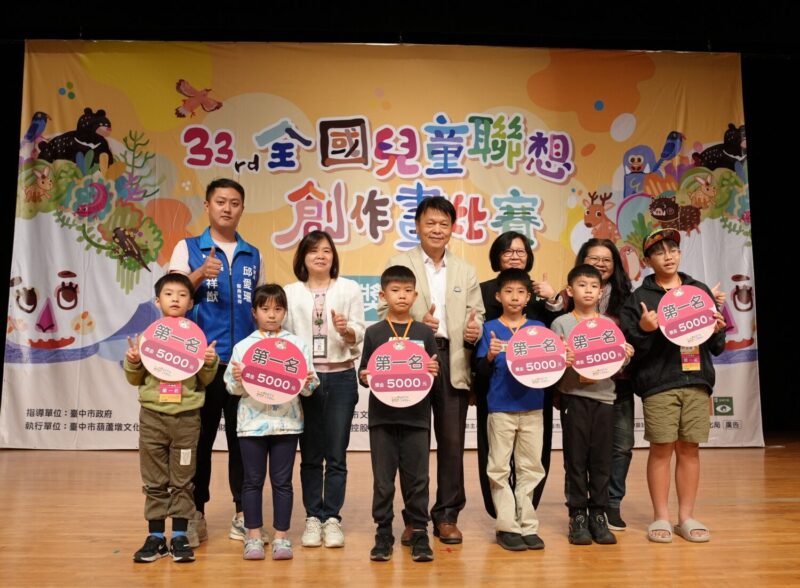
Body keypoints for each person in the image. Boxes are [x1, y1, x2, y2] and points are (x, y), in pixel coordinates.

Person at [380, 196, 484, 545]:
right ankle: (415, 519)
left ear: (452, 228)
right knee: (414, 444)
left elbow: (477, 312)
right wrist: (415, 324)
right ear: (417, 226)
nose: (437, 229)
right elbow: (382, 311)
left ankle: (448, 516)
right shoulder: (399, 263)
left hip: (452, 359)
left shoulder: (465, 269)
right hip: (410, 362)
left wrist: (475, 328)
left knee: (452, 444)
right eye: (430, 223)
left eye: (444, 223)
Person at [169, 178, 263, 546]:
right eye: (220, 201)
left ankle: (243, 513)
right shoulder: (188, 248)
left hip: (242, 367)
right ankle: (195, 514)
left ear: (242, 209)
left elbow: (260, 310)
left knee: (244, 443)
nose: (227, 208)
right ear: (207, 206)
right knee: (199, 441)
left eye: (234, 203)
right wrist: (197, 275)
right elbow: (171, 296)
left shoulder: (253, 254)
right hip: (201, 364)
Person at [620, 229, 726, 543]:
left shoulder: (698, 290)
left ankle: (686, 517)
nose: (668, 256)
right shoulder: (639, 298)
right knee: (662, 448)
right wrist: (644, 329)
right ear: (647, 260)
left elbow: (717, 346)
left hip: (696, 381)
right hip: (659, 384)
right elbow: (630, 351)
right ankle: (661, 517)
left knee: (690, 449)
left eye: (673, 250)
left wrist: (717, 329)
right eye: (659, 252)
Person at [125, 273, 219, 563]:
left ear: (191, 303)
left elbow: (204, 381)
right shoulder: (148, 337)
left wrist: (209, 363)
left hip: (186, 419)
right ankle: (155, 536)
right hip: (153, 417)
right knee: (154, 479)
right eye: (168, 294)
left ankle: (179, 535)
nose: (175, 299)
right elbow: (134, 379)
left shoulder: (196, 338)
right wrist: (133, 361)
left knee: (183, 479)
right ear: (157, 301)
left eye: (182, 294)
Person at [283, 231, 365, 549]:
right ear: (302, 257)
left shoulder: (349, 288)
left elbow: (359, 332)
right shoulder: (290, 293)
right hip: (305, 381)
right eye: (313, 250)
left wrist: (346, 330)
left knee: (336, 454)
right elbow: (284, 339)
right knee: (310, 455)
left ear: (334, 257)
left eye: (327, 250)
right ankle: (312, 518)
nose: (321, 255)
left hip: (341, 377)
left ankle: (332, 518)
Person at [225, 284, 319, 560]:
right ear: (254, 312)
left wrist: (307, 382)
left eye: (278, 309)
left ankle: (281, 537)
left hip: (286, 423)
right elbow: (231, 386)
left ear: (285, 312)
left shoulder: (297, 345)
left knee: (282, 482)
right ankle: (253, 535)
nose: (271, 314)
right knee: (252, 481)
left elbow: (310, 387)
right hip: (251, 425)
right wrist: (238, 379)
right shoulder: (243, 347)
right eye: (265, 309)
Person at [474, 231, 563, 518]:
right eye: (508, 251)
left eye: (520, 251)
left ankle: (526, 512)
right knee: (495, 456)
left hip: (534, 388)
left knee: (533, 458)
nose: (514, 256)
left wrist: (553, 300)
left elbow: (555, 332)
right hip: (496, 386)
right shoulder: (482, 290)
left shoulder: (538, 290)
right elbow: (475, 339)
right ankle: (501, 514)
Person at [359, 266, 439, 563]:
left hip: (417, 417)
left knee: (418, 478)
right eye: (395, 290)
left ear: (415, 295)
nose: (402, 296)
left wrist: (434, 369)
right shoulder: (374, 332)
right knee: (383, 480)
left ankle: (419, 531)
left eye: (407, 291)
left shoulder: (424, 332)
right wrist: (365, 376)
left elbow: (434, 372)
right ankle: (383, 533)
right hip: (382, 418)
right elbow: (364, 372)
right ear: (383, 295)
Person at [551, 264, 634, 546]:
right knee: (575, 459)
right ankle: (577, 515)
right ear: (570, 290)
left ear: (601, 292)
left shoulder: (609, 325)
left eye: (594, 286)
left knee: (601, 459)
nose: (588, 291)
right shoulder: (561, 324)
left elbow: (617, 363)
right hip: (573, 398)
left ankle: (598, 514)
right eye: (582, 285)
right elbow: (552, 366)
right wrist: (563, 360)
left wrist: (625, 356)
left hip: (604, 398)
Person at [475, 268, 547, 551]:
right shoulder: (489, 328)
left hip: (533, 407)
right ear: (498, 296)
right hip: (500, 408)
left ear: (528, 297)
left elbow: (550, 366)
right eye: (508, 291)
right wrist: (490, 355)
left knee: (531, 468)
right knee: (498, 468)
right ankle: (507, 526)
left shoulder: (539, 328)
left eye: (520, 292)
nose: (514, 297)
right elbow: (480, 371)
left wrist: (564, 358)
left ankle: (528, 525)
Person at [571, 239, 633, 531]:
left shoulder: (628, 298)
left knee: (621, 446)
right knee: (580, 452)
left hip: (617, 384)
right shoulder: (569, 297)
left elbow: (635, 336)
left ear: (615, 265)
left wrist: (628, 350)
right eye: (593, 258)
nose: (600, 263)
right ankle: (580, 509)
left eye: (606, 259)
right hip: (580, 388)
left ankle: (611, 504)